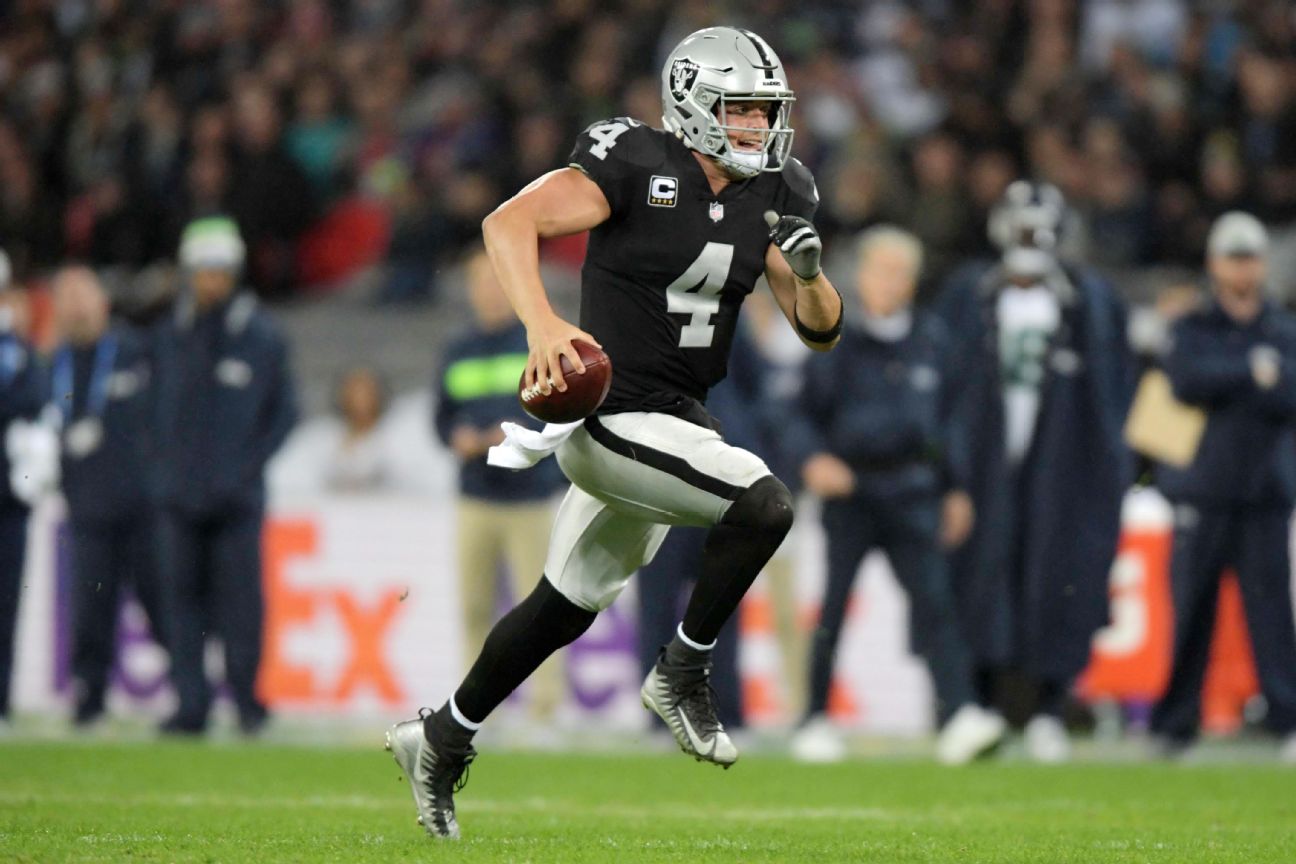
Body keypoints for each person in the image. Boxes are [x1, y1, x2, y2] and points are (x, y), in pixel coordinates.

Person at [385, 27, 842, 840]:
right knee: (764, 505)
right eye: (741, 112)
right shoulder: (634, 160)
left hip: (679, 421)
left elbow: (819, 329)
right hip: (611, 416)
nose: (759, 129)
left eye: (766, 112)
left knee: (563, 606)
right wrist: (540, 326)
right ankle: (683, 669)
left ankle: (441, 736)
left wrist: (809, 276)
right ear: (694, 107)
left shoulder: (776, 188)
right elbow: (507, 224)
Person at [786, 227, 1005, 765]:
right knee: (834, 607)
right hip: (851, 490)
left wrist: (956, 488)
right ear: (861, 276)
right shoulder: (829, 336)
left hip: (912, 489)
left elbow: (951, 423)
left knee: (935, 604)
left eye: (900, 272)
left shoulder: (934, 341)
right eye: (881, 270)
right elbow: (795, 413)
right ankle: (813, 717)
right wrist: (813, 459)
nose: (890, 282)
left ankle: (959, 714)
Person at [937, 182, 1134, 763]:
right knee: (980, 579)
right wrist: (949, 473)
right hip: (984, 470)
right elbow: (944, 389)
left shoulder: (1090, 301)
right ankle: (982, 706)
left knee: (1059, 581)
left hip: (1062, 471)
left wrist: (1112, 474)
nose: (1028, 241)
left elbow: (1115, 394)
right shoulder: (968, 295)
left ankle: (1050, 705)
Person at [1150, 212, 1296, 761]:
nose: (1243, 267)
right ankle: (1174, 726)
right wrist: (1252, 372)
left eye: (1250, 256)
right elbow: (1184, 379)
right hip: (1203, 491)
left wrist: (1231, 377)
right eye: (1234, 256)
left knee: (1272, 617)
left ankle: (1288, 721)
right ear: (1214, 262)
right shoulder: (1194, 325)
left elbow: (1290, 391)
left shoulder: (1282, 326)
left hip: (1265, 493)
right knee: (1191, 613)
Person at [154, 217, 298, 736]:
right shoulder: (171, 332)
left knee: (241, 608)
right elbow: (154, 410)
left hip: (236, 498)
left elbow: (284, 413)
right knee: (181, 605)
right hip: (177, 497)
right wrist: (163, 468)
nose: (211, 281)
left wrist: (245, 468)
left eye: (220, 271)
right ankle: (189, 705)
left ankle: (246, 704)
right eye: (203, 271)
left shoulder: (260, 335)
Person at [433, 248, 566, 727]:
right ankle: (473, 711)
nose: (488, 292)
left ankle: (545, 710)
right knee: (474, 607)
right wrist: (457, 438)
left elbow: (556, 412)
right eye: (481, 283)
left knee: (540, 612)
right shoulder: (457, 347)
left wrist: (507, 433)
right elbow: (441, 417)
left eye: (496, 282)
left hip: (528, 496)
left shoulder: (536, 342)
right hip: (475, 495)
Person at [49, 266, 167, 728]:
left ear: (102, 301)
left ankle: (191, 697)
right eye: (67, 296)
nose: (76, 305)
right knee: (89, 610)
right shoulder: (52, 364)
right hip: (86, 508)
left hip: (144, 508)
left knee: (161, 603)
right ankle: (88, 701)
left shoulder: (137, 351)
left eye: (84, 294)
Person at [0, 251, 45, 734]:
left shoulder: (18, 347)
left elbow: (34, 398)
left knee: (5, 604)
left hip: (9, 495)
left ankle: (1, 702)